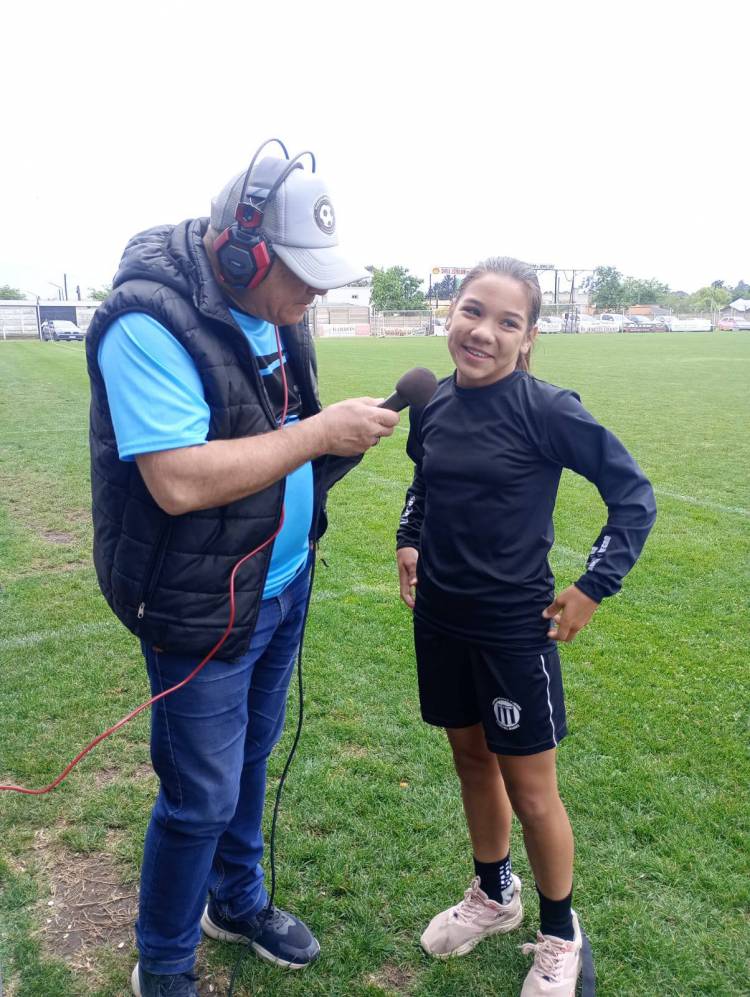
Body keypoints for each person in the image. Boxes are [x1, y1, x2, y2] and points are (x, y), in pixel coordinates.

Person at [85, 140, 399, 997]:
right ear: (241, 249)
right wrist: (318, 434)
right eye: (299, 274)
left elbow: (274, 426)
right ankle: (166, 965)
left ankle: (238, 900)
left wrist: (328, 447)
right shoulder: (146, 320)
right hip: (200, 603)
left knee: (252, 758)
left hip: (279, 580)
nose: (313, 294)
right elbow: (179, 480)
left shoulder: (276, 308)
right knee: (197, 798)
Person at [395, 257, 656, 996]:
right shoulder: (436, 403)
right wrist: (407, 538)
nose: (484, 331)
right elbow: (424, 483)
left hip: (515, 631)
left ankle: (561, 934)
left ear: (529, 336)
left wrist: (592, 587)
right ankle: (493, 894)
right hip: (441, 621)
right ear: (451, 313)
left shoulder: (547, 409)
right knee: (471, 759)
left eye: (507, 321)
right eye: (473, 311)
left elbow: (632, 495)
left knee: (532, 788)